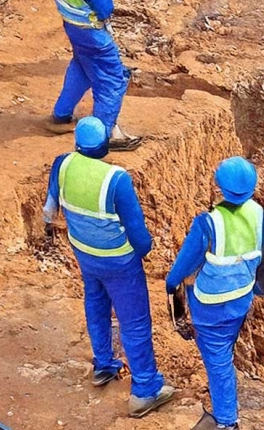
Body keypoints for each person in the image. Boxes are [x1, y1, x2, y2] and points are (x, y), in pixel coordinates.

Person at [42, 117, 174, 418]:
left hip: (84, 254)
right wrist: (143, 252)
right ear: (104, 145)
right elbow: (137, 231)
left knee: (96, 304)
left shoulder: (62, 164)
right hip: (119, 260)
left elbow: (50, 210)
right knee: (135, 321)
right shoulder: (116, 179)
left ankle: (103, 364)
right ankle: (145, 389)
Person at [166, 157, 264, 430]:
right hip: (241, 299)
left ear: (220, 187)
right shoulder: (259, 214)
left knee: (217, 360)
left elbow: (185, 264)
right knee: (222, 350)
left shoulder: (209, 223)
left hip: (211, 306)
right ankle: (223, 408)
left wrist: (171, 285)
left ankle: (227, 421)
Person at [45, 0, 141, 152]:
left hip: (72, 27)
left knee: (81, 68)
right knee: (112, 78)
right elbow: (105, 7)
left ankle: (61, 115)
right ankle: (106, 134)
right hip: (92, 33)